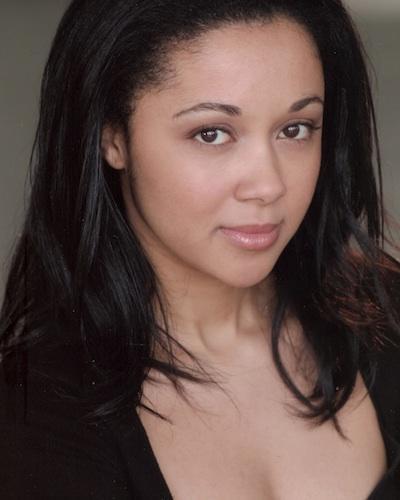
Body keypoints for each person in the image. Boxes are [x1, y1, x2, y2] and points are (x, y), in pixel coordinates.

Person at [1, 0, 399, 498]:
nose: (268, 185)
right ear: (112, 135)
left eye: (295, 129)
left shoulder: (389, 318)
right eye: (211, 134)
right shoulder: (32, 419)